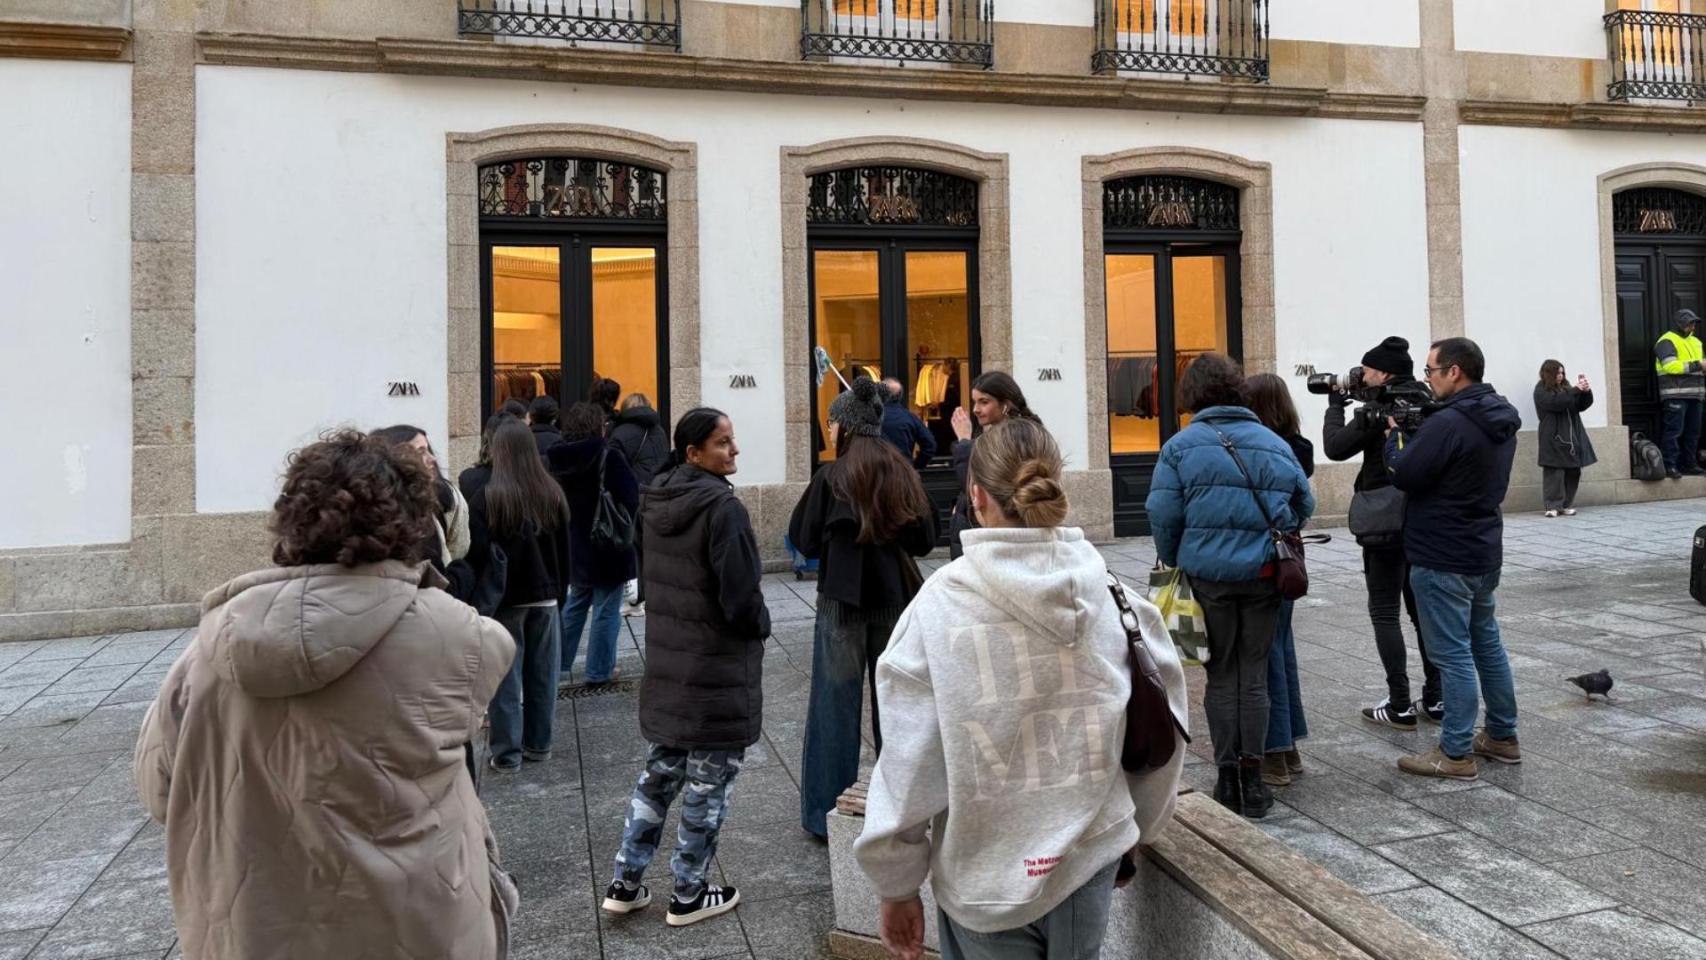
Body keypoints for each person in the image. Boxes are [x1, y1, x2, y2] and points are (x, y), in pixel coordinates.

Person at [135, 430, 517, 959]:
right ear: (408, 521)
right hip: (415, 925)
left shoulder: (208, 652)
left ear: (294, 519)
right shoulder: (458, 636)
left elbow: (160, 792)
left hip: (256, 928)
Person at [855, 418, 1188, 960]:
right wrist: (1139, 827)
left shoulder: (939, 607)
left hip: (984, 877)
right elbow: (1164, 723)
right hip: (1087, 860)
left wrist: (895, 882)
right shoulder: (1115, 597)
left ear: (976, 495)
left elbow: (911, 764)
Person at [602, 408, 770, 927]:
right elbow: (740, 597)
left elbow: (650, 579)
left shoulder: (657, 500)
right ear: (693, 452)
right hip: (715, 667)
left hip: (672, 663)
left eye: (733, 439)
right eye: (723, 443)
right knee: (707, 784)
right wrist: (760, 625)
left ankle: (624, 882)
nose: (734, 450)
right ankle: (688, 893)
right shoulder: (723, 508)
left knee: (658, 774)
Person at [1146, 354, 1314, 819]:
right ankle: (1255, 779)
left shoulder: (1180, 447)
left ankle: (1225, 778)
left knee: (1220, 675)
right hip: (1263, 576)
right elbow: (1305, 501)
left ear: (1192, 395)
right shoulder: (1271, 441)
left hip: (1209, 578)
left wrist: (1178, 556)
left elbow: (1163, 514)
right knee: (1254, 676)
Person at [787, 377, 936, 840]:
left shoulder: (831, 476)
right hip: (895, 600)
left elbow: (803, 537)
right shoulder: (899, 469)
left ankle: (822, 815)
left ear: (846, 427)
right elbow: (925, 540)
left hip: (841, 602)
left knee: (834, 706)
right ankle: (904, 807)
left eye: (833, 422)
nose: (830, 430)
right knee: (897, 705)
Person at [1385, 337, 1521, 781]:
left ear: (1455, 372)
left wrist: (1394, 440)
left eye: (1431, 371)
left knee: (1454, 655)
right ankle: (1501, 735)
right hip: (1482, 549)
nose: (1428, 378)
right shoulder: (1498, 415)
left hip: (1442, 553)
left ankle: (1455, 751)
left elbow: (1406, 473)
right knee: (1486, 643)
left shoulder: (1450, 424)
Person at [1323, 336, 1444, 730]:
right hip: (1423, 518)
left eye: (1369, 370)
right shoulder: (1427, 400)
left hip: (1383, 522)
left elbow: (1335, 448)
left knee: (1384, 610)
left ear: (1385, 373)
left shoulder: (1377, 411)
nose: (1363, 376)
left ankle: (1399, 704)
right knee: (1422, 611)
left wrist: (1334, 408)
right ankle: (1436, 697)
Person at [462, 418, 571, 773]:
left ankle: (507, 753)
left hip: (505, 600)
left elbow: (477, 555)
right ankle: (539, 745)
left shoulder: (488, 497)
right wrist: (561, 592)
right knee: (543, 675)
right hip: (545, 598)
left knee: (505, 681)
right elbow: (564, 552)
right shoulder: (551, 491)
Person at [1241, 374, 1313, 788]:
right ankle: (1288, 747)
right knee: (1282, 652)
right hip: (1288, 559)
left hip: (1262, 562)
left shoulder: (1262, 449)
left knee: (1266, 656)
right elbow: (1304, 504)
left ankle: (1273, 751)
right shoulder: (1298, 448)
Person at [547, 402, 639, 687]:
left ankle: (556, 663)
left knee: (576, 603)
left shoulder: (555, 458)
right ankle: (599, 670)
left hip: (575, 542)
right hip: (607, 542)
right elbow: (631, 495)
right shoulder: (607, 455)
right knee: (606, 608)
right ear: (597, 425)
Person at [947, 371, 1042, 559]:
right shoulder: (1003, 432)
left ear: (1006, 405)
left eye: (984, 402)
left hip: (996, 532)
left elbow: (982, 481)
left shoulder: (1016, 436)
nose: (975, 409)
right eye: (975, 402)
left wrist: (965, 442)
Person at [610, 392, 671, 612]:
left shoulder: (619, 433)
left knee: (633, 546)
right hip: (659, 493)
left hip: (632, 497)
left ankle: (637, 598)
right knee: (656, 545)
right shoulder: (660, 431)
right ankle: (658, 593)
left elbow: (614, 470)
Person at [1534, 360, 1598, 517]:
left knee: (1573, 471)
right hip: (1553, 436)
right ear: (1549, 373)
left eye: (1562, 372)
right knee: (1554, 472)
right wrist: (1575, 390)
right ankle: (1552, 506)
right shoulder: (1541, 389)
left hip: (1572, 436)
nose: (1561, 376)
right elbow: (1555, 403)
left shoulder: (1567, 388)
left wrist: (1585, 391)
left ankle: (1565, 504)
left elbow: (1581, 405)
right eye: (1557, 373)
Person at [1654, 308, 1704, 479]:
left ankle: (1689, 463)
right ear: (1680, 324)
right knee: (1674, 431)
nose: (1693, 327)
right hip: (1674, 394)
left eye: (1694, 323)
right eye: (1690, 323)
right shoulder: (1666, 340)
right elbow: (1670, 366)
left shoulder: (1696, 342)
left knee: (1693, 432)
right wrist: (1699, 365)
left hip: (1696, 395)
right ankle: (1670, 465)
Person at [879, 376, 937, 469]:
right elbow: (930, 444)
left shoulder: (870, 419)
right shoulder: (910, 418)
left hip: (876, 474)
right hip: (904, 472)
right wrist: (916, 466)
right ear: (900, 396)